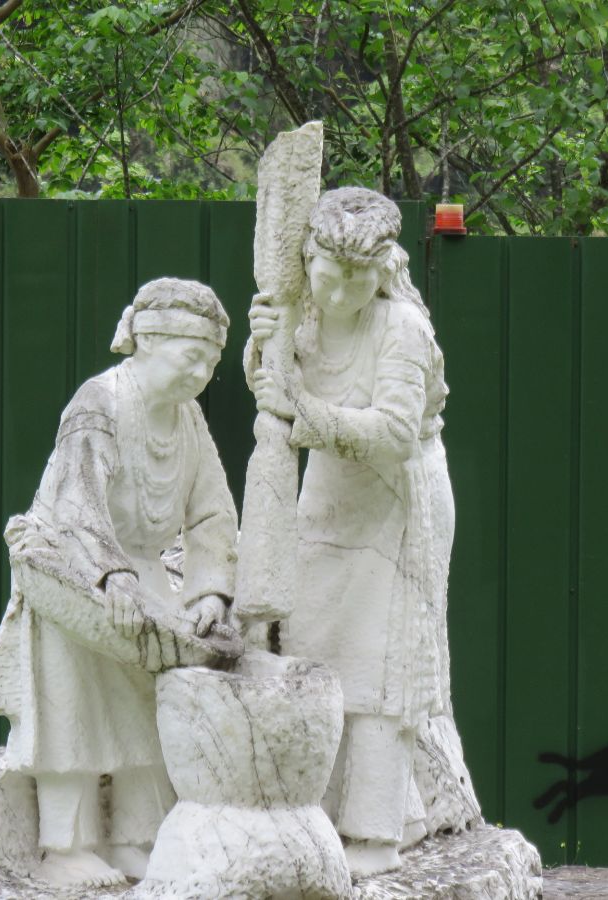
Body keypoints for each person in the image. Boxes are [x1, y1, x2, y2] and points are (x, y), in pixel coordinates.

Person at [0, 278, 238, 889]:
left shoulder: (190, 420)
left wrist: (208, 588)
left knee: (148, 714)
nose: (202, 371)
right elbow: (76, 504)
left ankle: (135, 838)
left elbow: (211, 512)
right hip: (76, 576)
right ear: (147, 341)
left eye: (211, 360)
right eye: (191, 354)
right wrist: (110, 575)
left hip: (147, 576)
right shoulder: (99, 403)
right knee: (71, 714)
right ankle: (63, 846)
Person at [247, 187, 458, 877]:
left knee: (380, 663)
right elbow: (274, 387)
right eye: (329, 274)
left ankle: (375, 833)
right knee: (313, 646)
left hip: (398, 497)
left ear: (383, 268)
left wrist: (304, 410)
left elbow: (396, 433)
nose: (341, 291)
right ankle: (328, 813)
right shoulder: (301, 313)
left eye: (358, 277)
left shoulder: (401, 331)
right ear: (309, 263)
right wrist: (262, 349)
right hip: (331, 490)